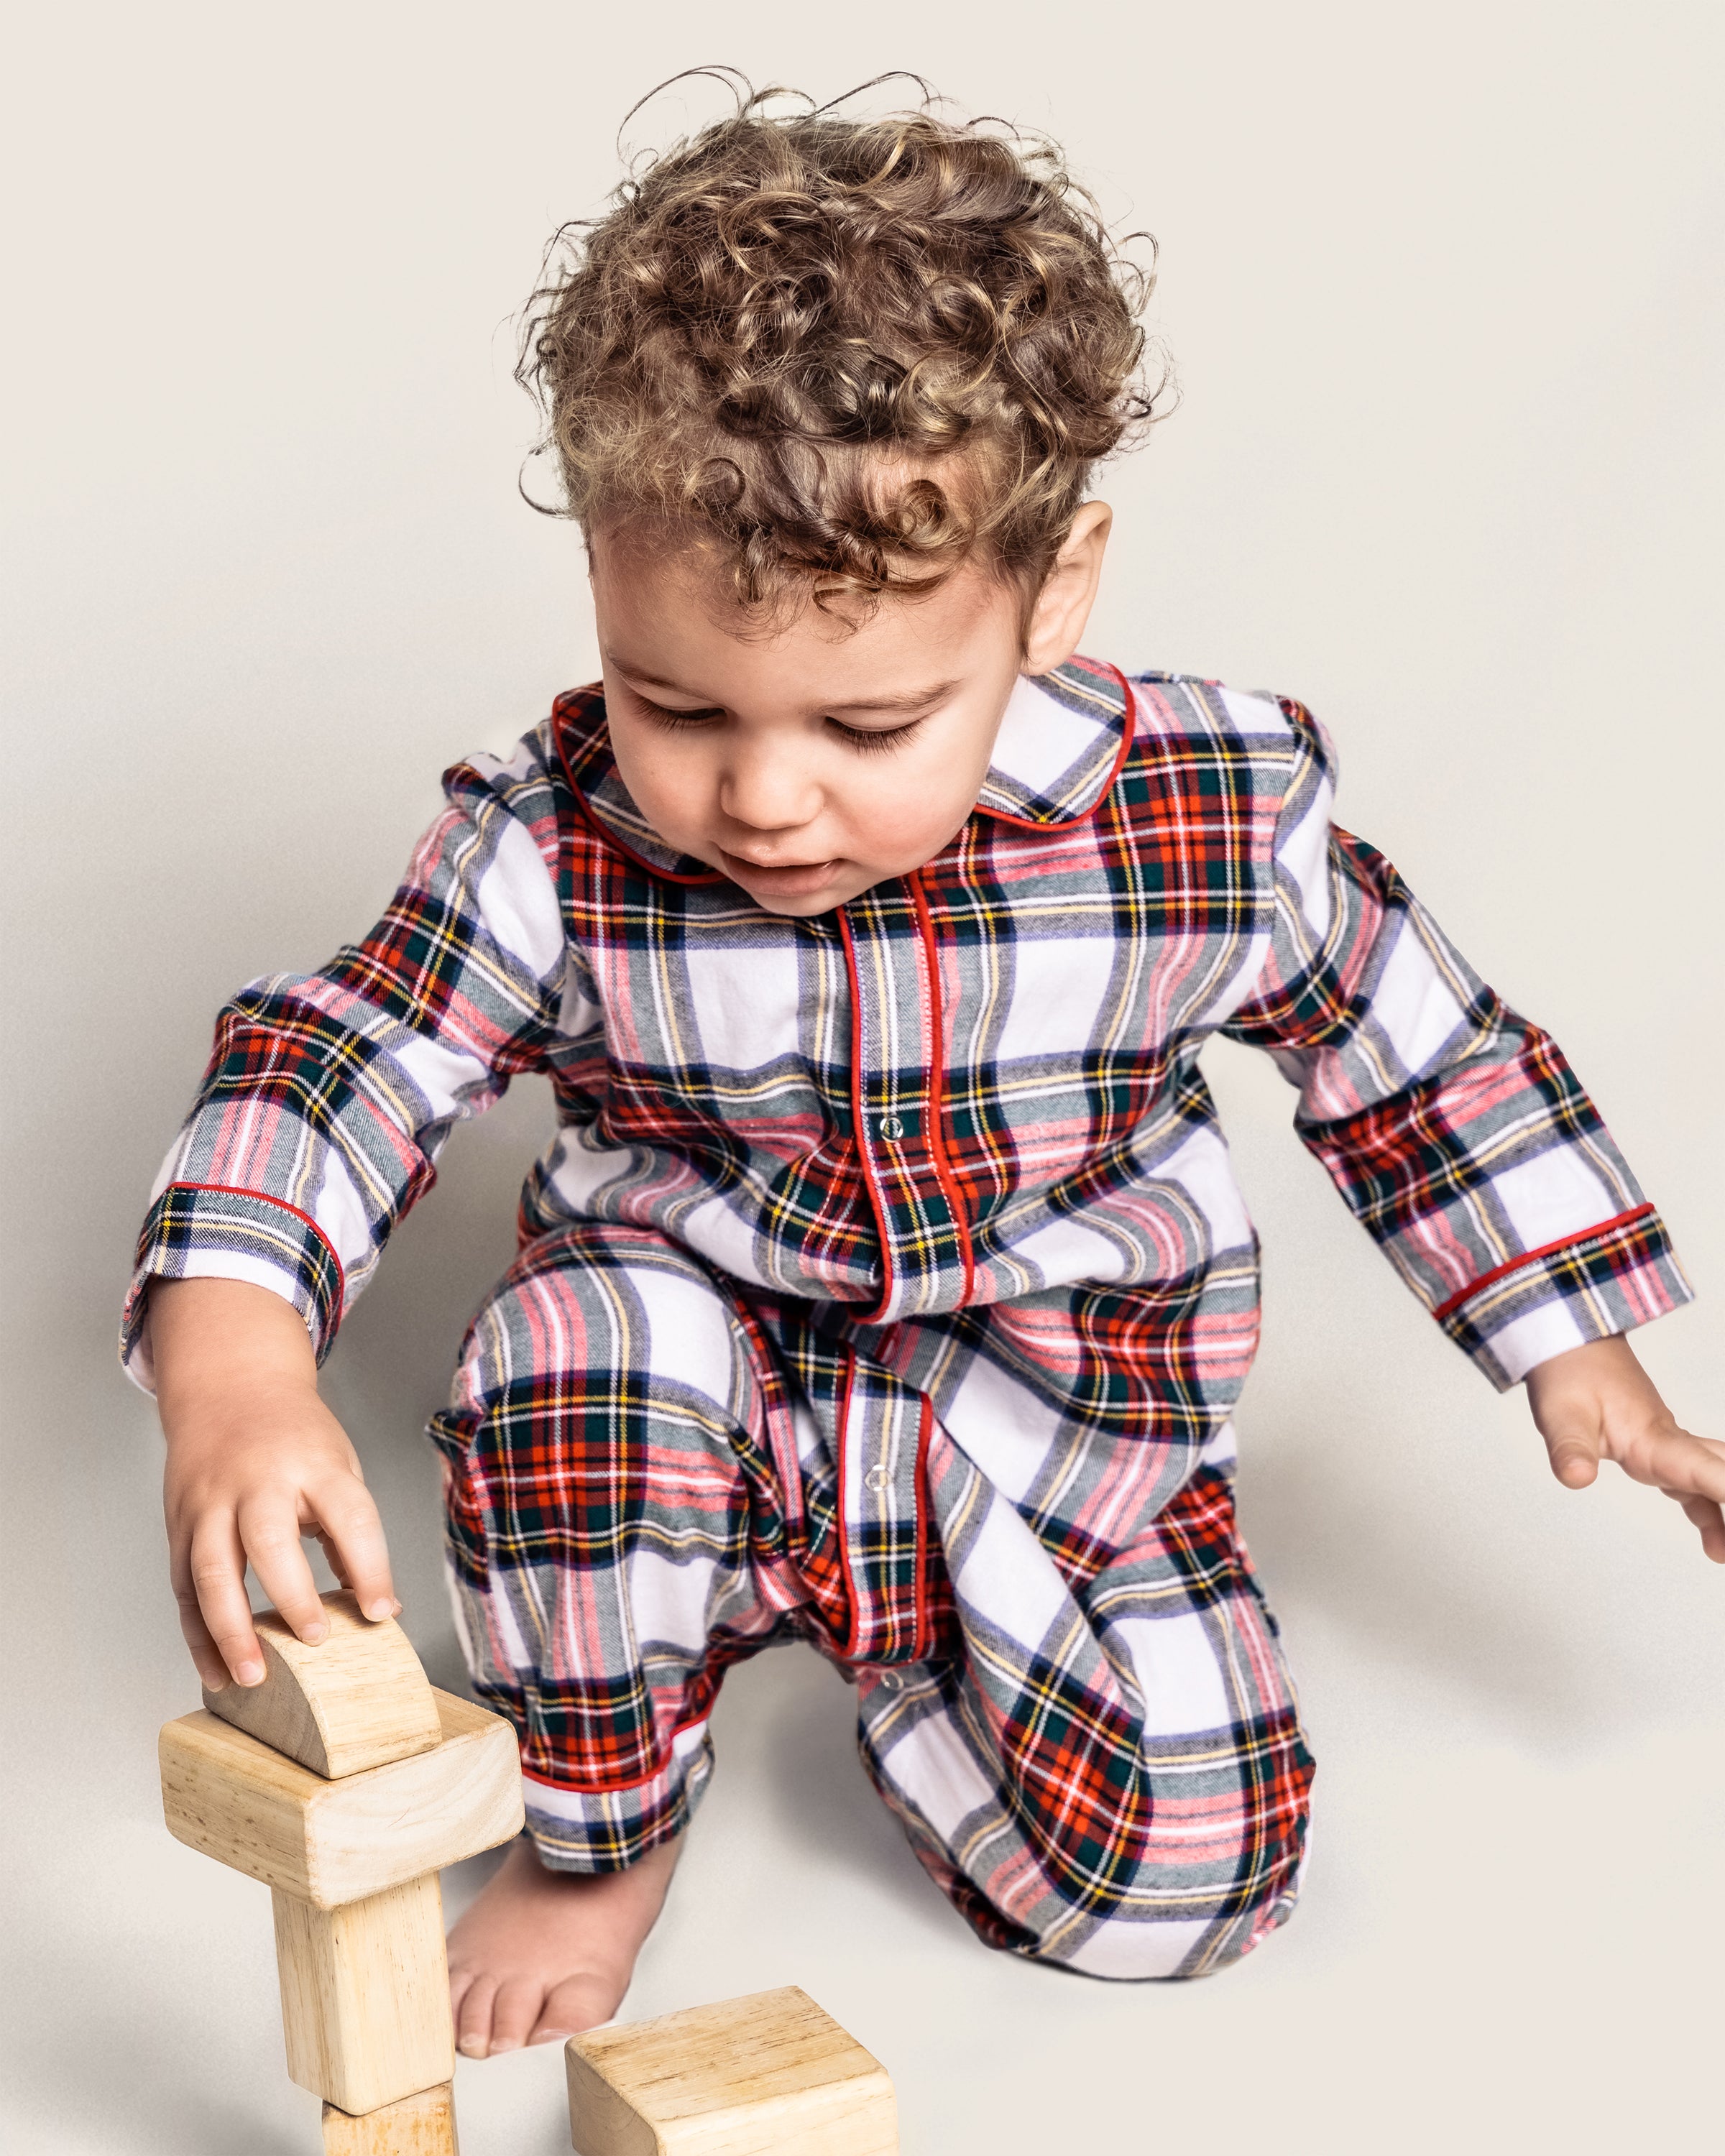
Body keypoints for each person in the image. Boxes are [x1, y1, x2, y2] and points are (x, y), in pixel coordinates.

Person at [126, 86, 1719, 2061]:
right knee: (579, 1372)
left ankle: (916, 1664)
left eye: (871, 720)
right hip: (698, 1390)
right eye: (676, 701)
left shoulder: (1198, 819)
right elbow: (342, 1056)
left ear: (1053, 598)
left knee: (1197, 1885)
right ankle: (610, 1802)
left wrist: (1580, 1344)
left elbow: (1423, 1059)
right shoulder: (555, 843)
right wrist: (236, 1367)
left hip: (1048, 1441)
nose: (764, 796)